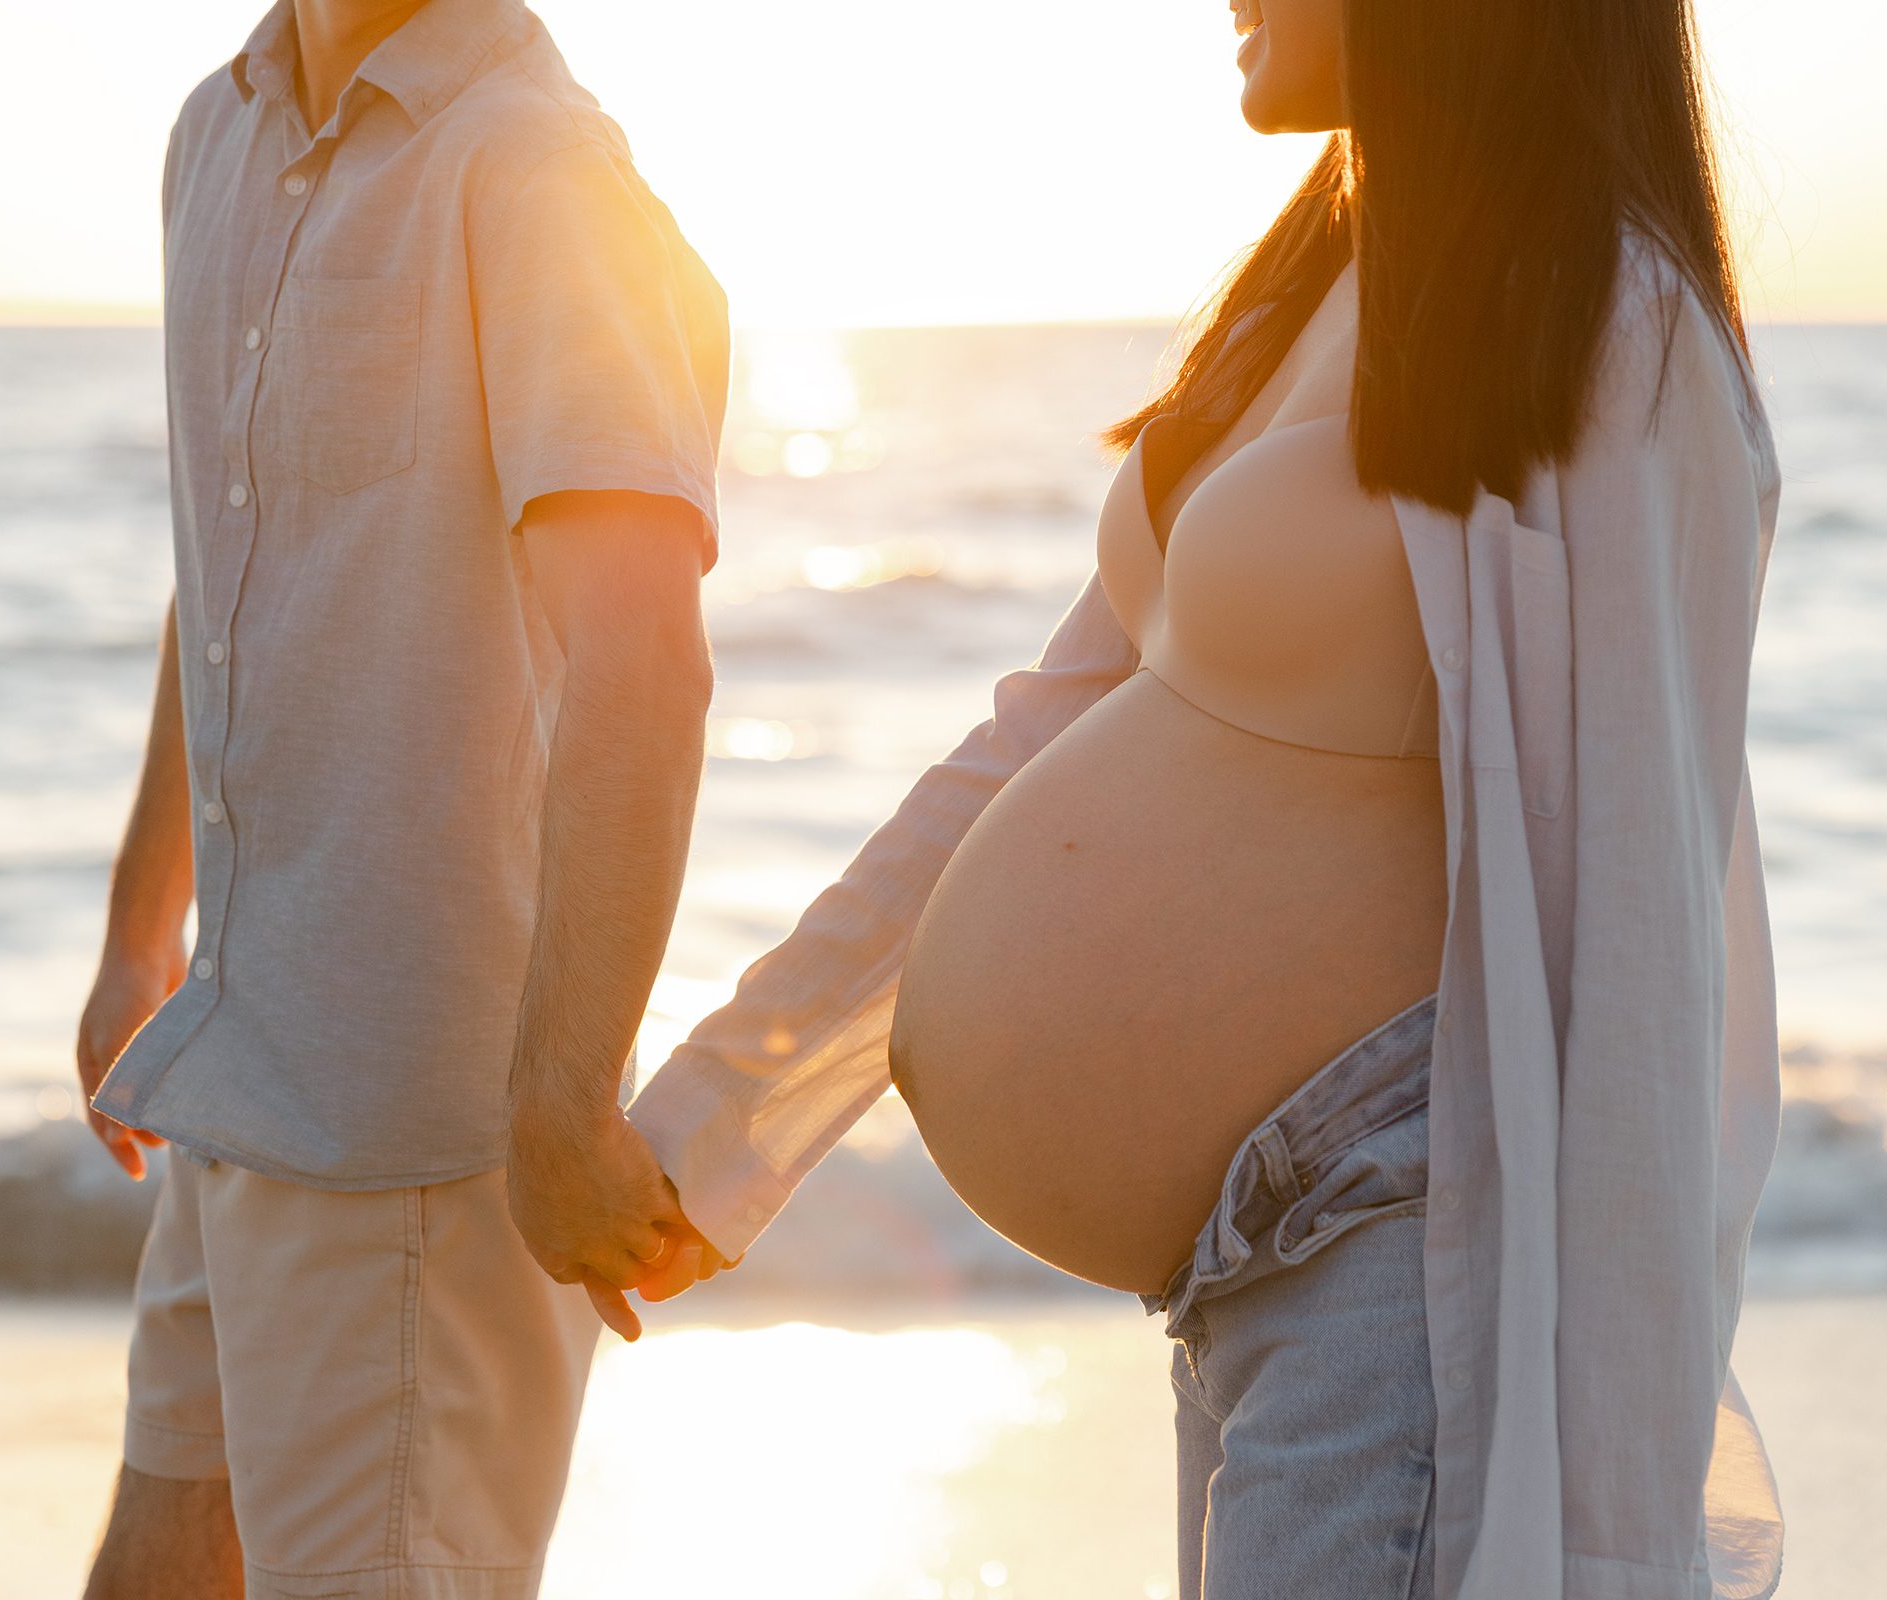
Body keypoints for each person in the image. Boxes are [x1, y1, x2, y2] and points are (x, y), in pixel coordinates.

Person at [599, 0, 1790, 1595]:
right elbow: (1033, 742)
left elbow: (1647, 936)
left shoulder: (1608, 325)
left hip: (1396, 1251)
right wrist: (721, 1117)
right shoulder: (1321, 289)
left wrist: (1609, 1539)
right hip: (1248, 1268)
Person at [69, 2, 730, 1594]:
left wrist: (565, 1097)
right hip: (238, 1059)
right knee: (155, 1567)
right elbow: (225, 560)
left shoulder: (538, 165)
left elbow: (642, 654)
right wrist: (140, 932)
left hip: (417, 1137)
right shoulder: (215, 131)